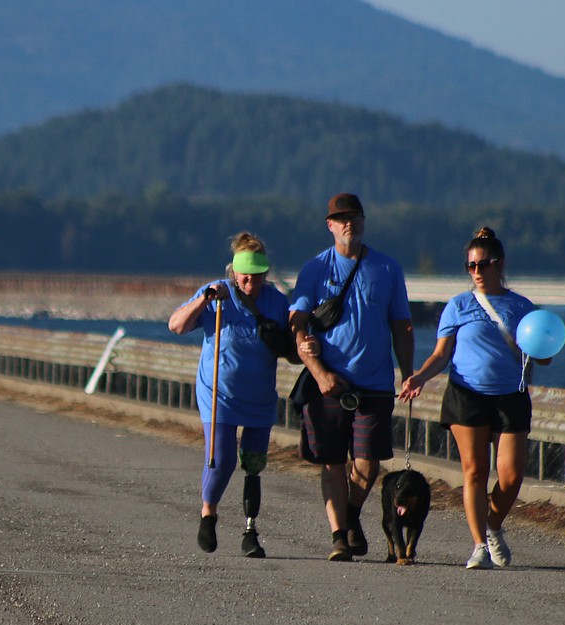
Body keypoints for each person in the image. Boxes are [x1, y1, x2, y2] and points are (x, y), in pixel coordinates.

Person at [400, 227, 549, 569]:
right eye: (471, 266)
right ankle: (479, 545)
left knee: (511, 476)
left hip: (510, 395)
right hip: (466, 394)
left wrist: (543, 350)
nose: (477, 272)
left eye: (483, 265)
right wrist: (419, 378)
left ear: (499, 264)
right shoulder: (458, 306)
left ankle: (493, 527)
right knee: (474, 471)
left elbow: (543, 353)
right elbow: (441, 354)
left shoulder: (520, 306)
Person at [289, 193, 414, 561]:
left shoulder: (388, 269)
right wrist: (318, 371)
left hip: (375, 382)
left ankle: (351, 516)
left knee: (367, 462)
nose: (349, 224)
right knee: (331, 462)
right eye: (341, 219)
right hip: (329, 382)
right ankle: (338, 536)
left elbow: (402, 326)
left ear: (363, 221)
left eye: (355, 217)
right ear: (330, 225)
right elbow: (296, 323)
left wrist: (409, 374)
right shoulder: (314, 269)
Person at [169, 232, 300, 557]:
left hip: (259, 396)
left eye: (257, 277)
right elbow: (176, 326)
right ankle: (208, 513)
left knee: (254, 464)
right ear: (234, 272)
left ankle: (250, 531)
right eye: (246, 277)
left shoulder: (276, 301)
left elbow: (292, 350)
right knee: (222, 460)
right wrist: (205, 300)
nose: (251, 282)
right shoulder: (216, 292)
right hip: (219, 394)